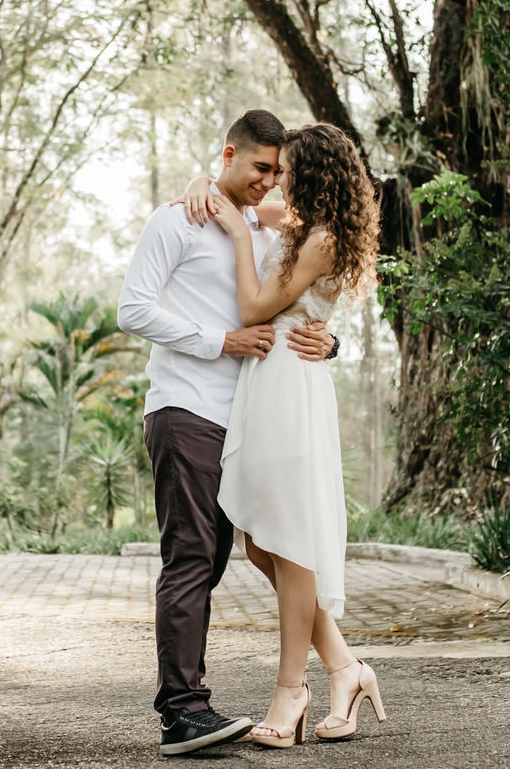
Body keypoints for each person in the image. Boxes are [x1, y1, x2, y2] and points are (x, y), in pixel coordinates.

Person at [116, 109, 337, 756]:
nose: (268, 181)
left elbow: (296, 303)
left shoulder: (266, 233)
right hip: (186, 410)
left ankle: (339, 671)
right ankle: (183, 713)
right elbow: (133, 306)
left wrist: (331, 343)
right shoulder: (177, 219)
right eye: (259, 167)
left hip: (247, 423)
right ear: (229, 154)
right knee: (191, 559)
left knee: (243, 556)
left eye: (277, 171)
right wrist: (221, 341)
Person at [181, 121, 385, 749]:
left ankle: (290, 689)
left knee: (288, 545)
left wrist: (241, 235)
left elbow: (253, 308)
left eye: (289, 171)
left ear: (315, 174)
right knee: (264, 549)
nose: (277, 181)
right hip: (266, 387)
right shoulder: (299, 222)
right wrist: (200, 183)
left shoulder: (321, 239)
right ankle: (347, 668)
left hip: (292, 388)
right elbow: (233, 199)